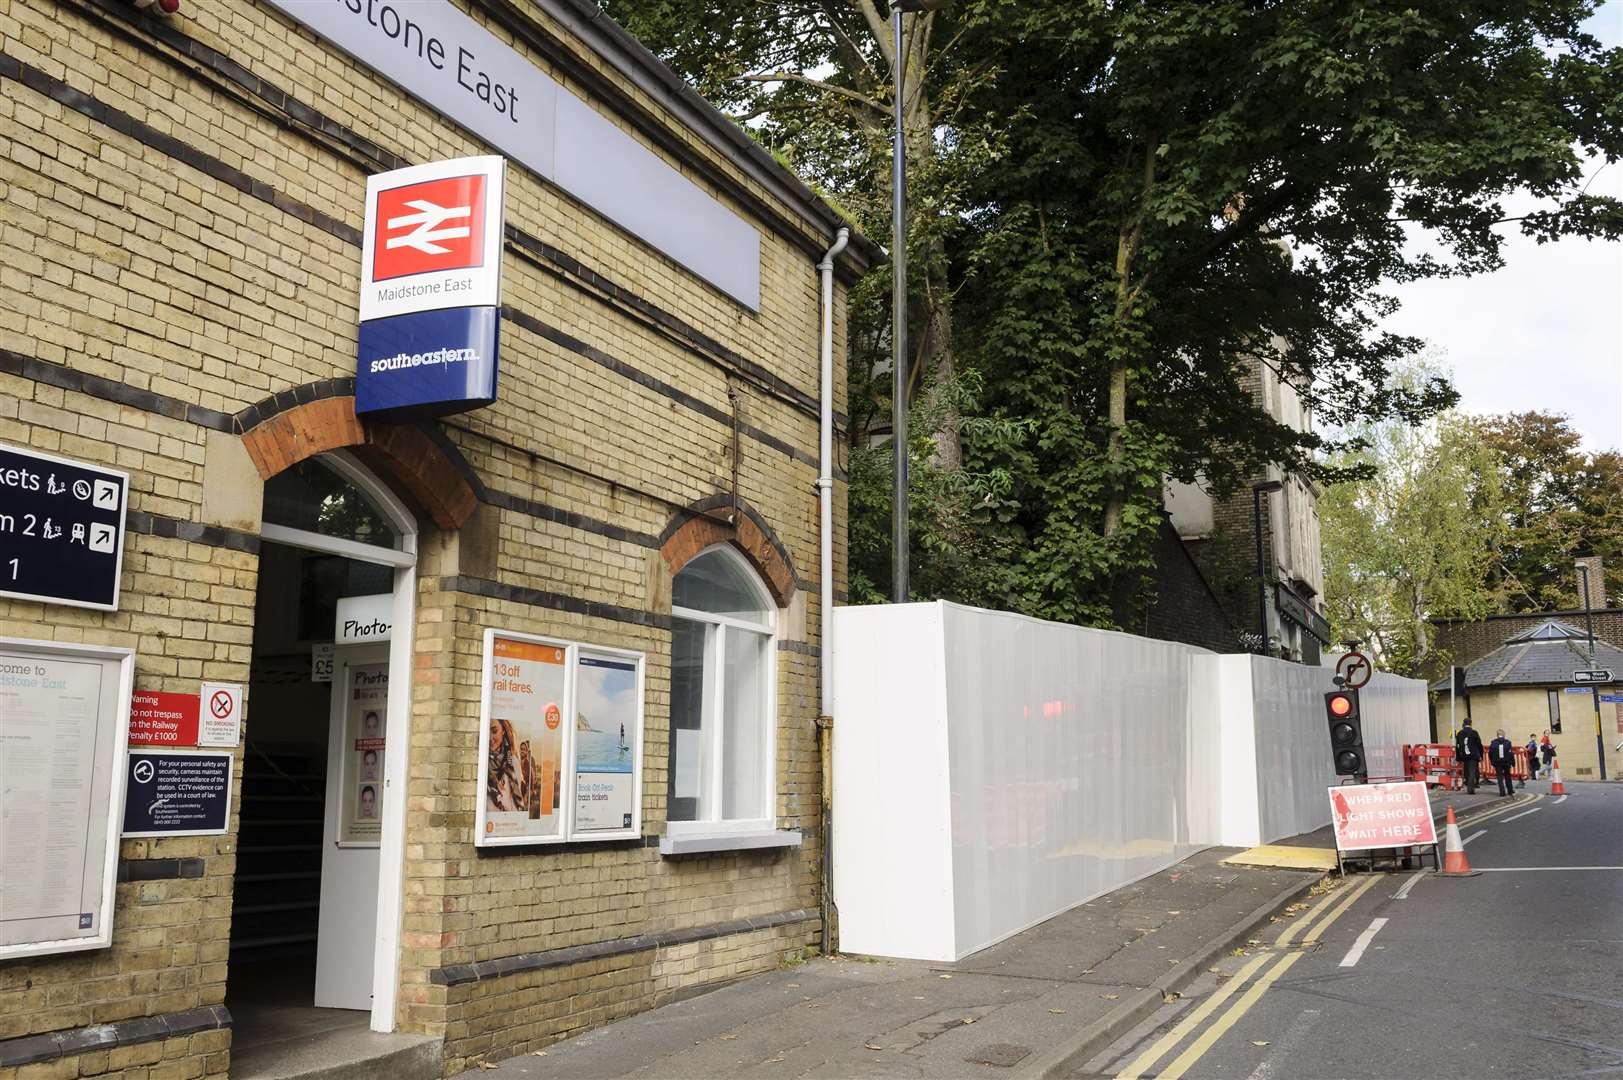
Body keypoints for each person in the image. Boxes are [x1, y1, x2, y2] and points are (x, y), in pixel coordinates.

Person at [1454, 719, 1484, 795]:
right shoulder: (1474, 733)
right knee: (1471, 772)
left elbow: (1457, 746)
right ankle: (1470, 789)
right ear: (1471, 723)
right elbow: (1479, 745)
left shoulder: (1460, 733)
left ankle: (1469, 785)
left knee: (1467, 771)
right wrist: (1481, 755)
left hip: (1464, 755)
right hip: (1473, 755)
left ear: (1463, 723)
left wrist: (1458, 757)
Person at [1487, 729, 1515, 797]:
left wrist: (1492, 761)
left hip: (1497, 762)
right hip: (1506, 762)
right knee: (1507, 776)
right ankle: (1510, 791)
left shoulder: (1493, 742)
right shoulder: (1508, 742)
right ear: (1504, 735)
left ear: (1497, 735)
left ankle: (1502, 792)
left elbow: (1490, 753)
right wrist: (1513, 762)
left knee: (1499, 777)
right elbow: (1511, 753)